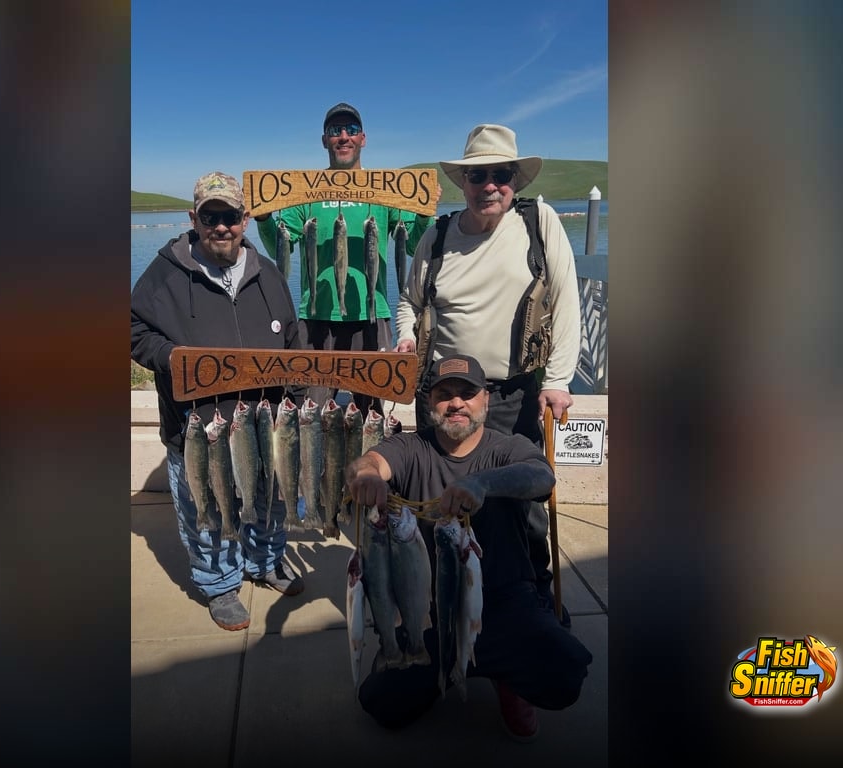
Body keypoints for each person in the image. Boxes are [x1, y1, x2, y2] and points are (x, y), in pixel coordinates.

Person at [345, 354, 592, 741]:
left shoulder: (508, 446)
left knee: (566, 673)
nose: (456, 403)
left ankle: (504, 677)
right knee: (382, 703)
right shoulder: (410, 447)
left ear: (486, 401)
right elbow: (370, 461)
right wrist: (365, 476)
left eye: (467, 393)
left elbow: (541, 476)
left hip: (504, 606)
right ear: (429, 403)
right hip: (432, 614)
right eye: (445, 394)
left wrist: (483, 485)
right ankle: (442, 669)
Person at [393, 124, 582, 625]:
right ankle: (441, 601)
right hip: (445, 393)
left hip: (513, 394)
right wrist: (407, 336)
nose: (490, 185)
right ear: (464, 182)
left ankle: (534, 598)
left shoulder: (539, 221)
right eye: (479, 175)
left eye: (501, 174)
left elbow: (566, 302)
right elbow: (408, 302)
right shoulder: (437, 235)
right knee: (437, 500)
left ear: (515, 179)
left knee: (523, 505)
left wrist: (558, 379)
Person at [131, 171, 306, 631]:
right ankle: (219, 583)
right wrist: (171, 358)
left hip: (262, 422)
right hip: (198, 427)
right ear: (194, 218)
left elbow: (293, 336)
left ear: (245, 220)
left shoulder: (267, 272)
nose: (221, 226)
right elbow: (133, 331)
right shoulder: (164, 272)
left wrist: (302, 380)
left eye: (230, 216)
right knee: (205, 508)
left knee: (267, 498)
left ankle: (265, 561)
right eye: (211, 216)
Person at [255, 102, 434, 415]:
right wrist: (263, 220)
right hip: (315, 317)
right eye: (334, 131)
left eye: (351, 130)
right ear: (324, 140)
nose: (343, 136)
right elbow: (279, 248)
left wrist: (423, 216)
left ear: (363, 138)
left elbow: (412, 246)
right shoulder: (303, 193)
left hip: (371, 315)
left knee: (372, 411)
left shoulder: (386, 191)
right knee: (308, 410)